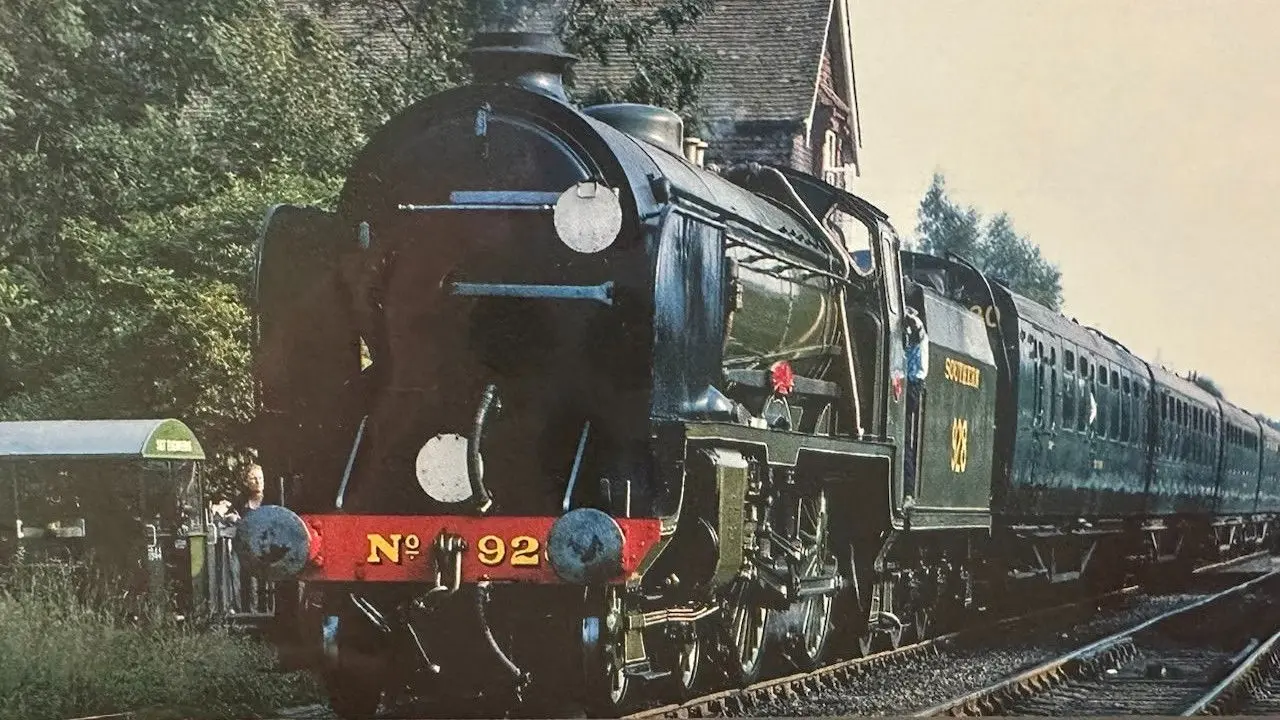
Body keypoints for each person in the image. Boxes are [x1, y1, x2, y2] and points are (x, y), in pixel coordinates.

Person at [903, 306, 929, 494]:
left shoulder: (919, 333)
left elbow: (917, 326)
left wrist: (905, 315)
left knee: (903, 437)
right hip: (906, 384)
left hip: (912, 386)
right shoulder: (909, 338)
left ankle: (908, 490)